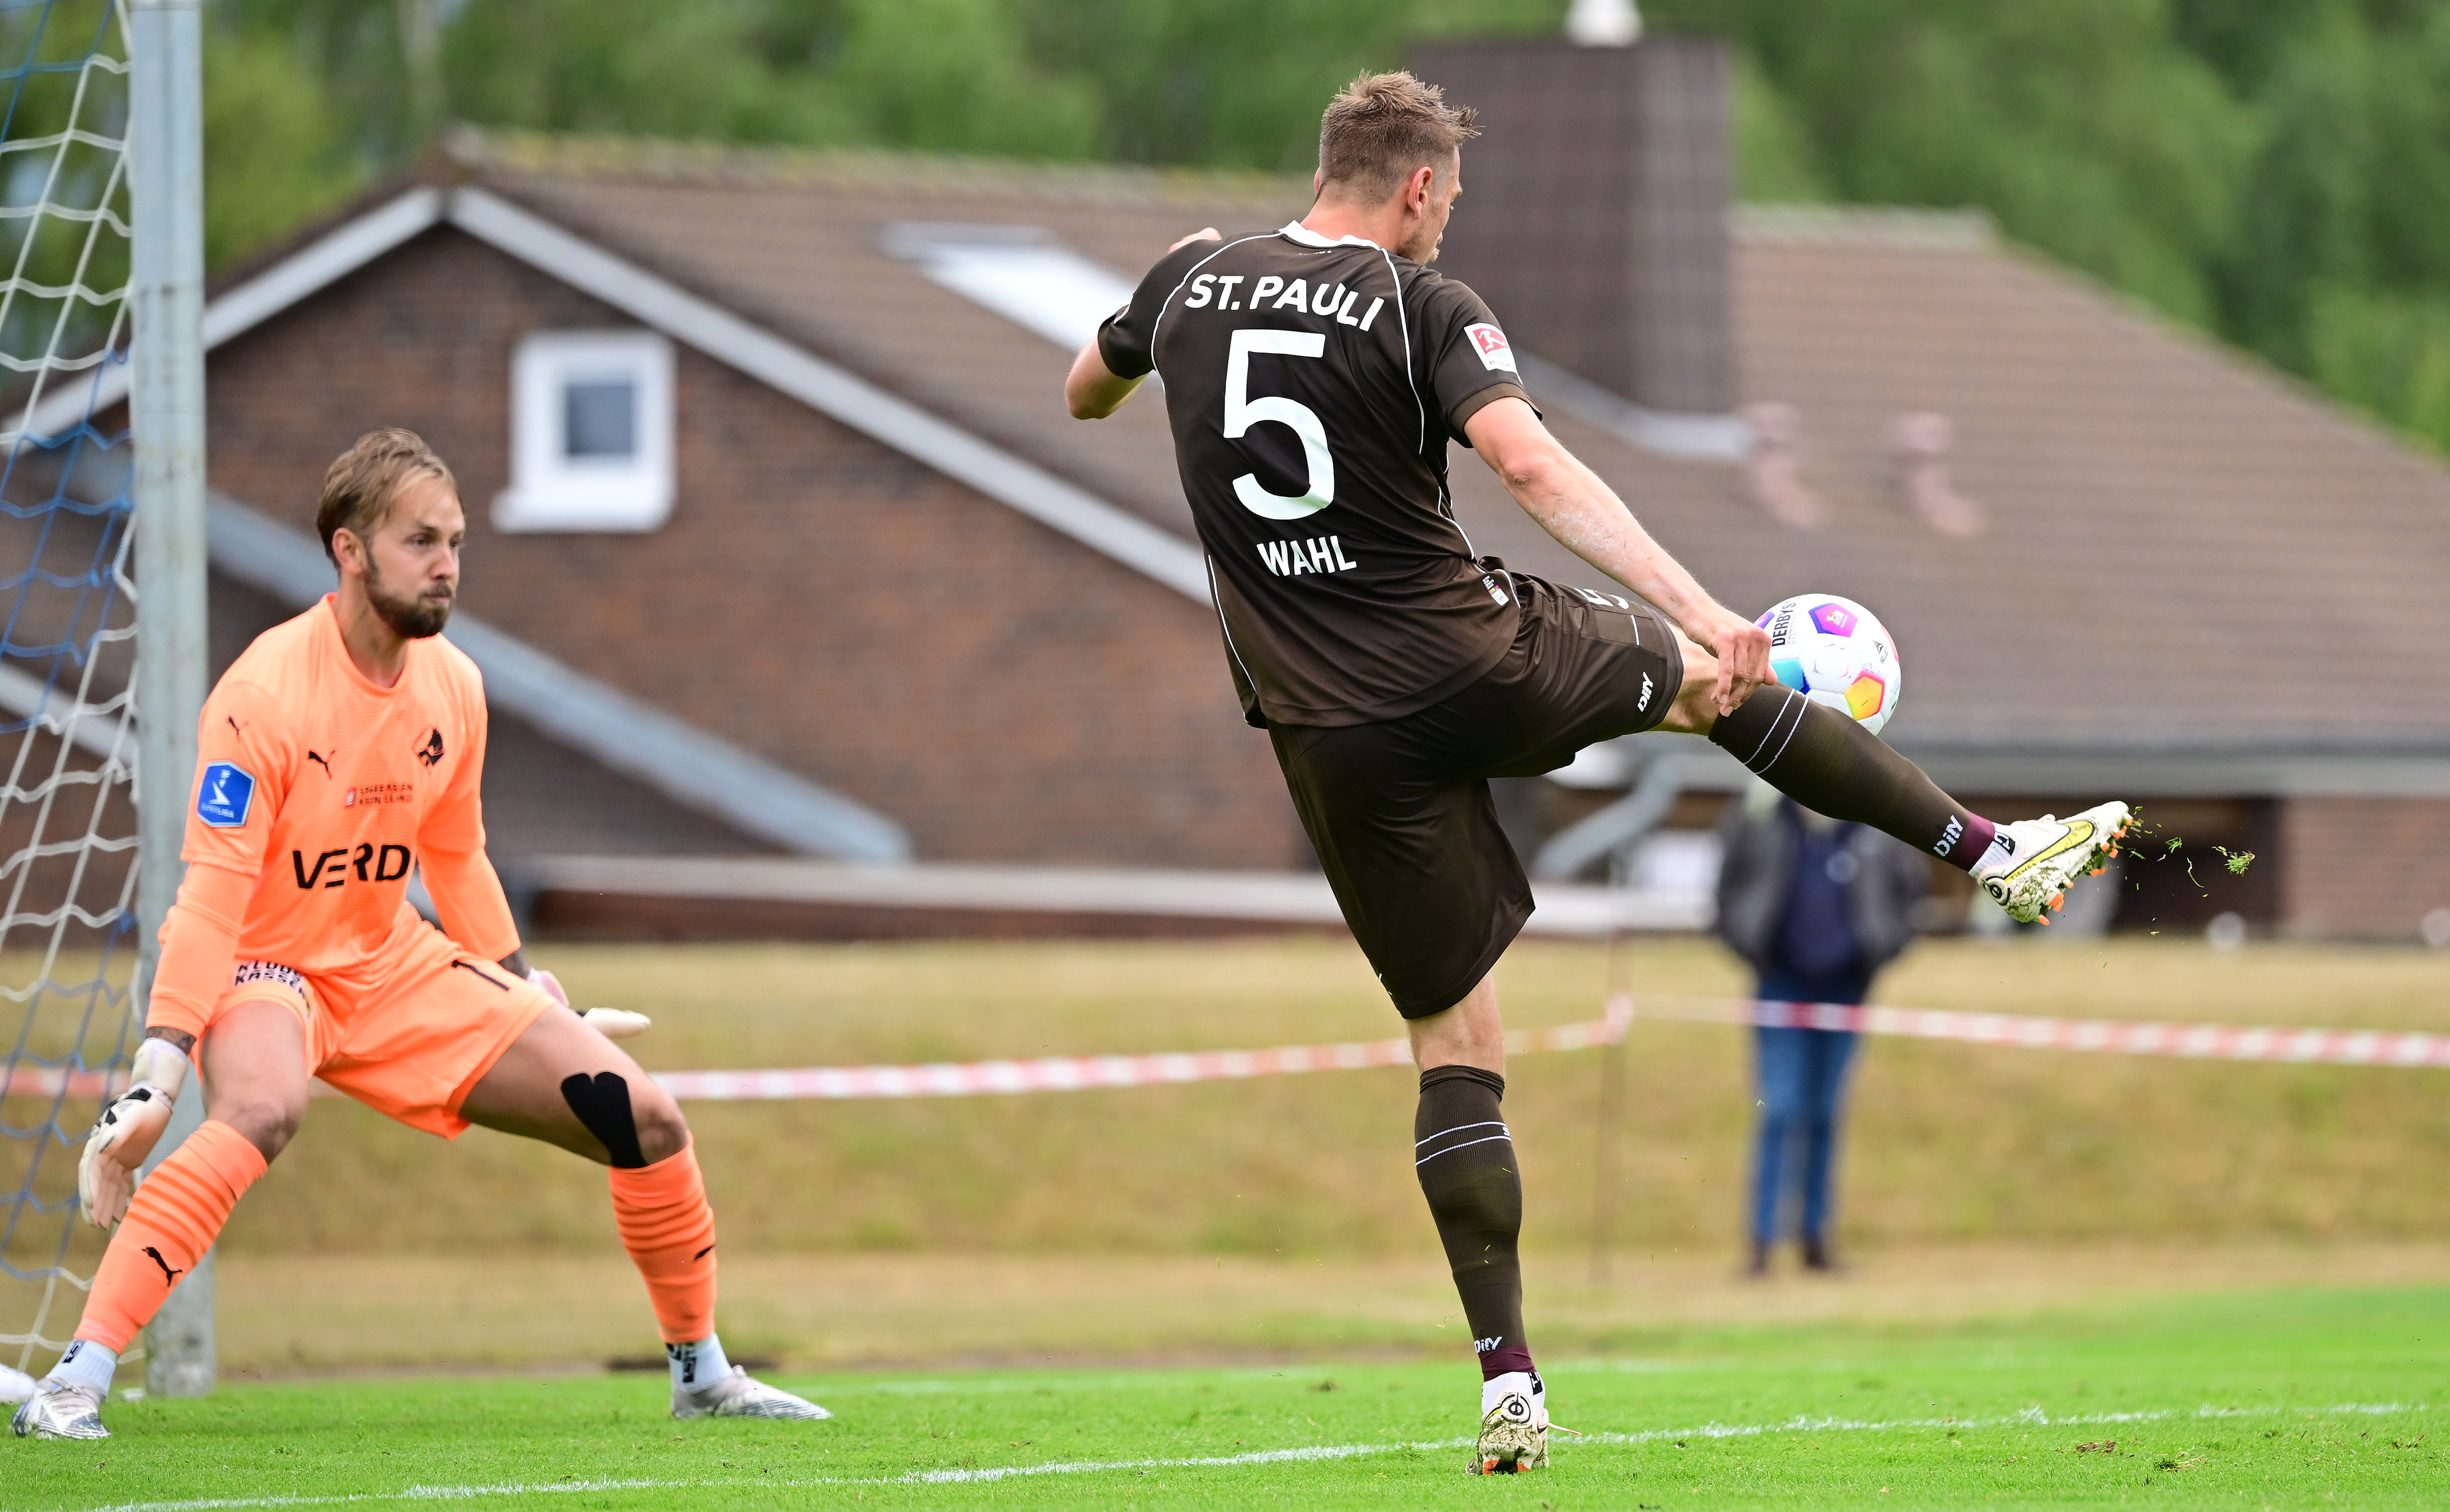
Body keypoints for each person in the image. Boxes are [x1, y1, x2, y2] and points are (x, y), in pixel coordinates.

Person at [1064, 70, 2128, 1473]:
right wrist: (1698, 605)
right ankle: (1993, 855)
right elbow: (1527, 464)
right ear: (1419, 188)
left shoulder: (1191, 278)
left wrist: (1146, 338)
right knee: (1709, 685)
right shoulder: (1419, 303)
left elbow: (1083, 394)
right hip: (1463, 657)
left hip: (1325, 732)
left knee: (1454, 1049)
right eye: (1448, 201)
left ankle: (1506, 1380)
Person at [12, 431, 828, 1441]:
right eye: (419, 541)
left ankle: (701, 1371)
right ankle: (73, 1381)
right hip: (270, 964)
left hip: (389, 960)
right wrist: (157, 1076)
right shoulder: (264, 694)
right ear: (349, 551)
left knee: (644, 1113)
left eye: (456, 541)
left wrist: (526, 986)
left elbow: (457, 858)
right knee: (264, 1108)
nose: (446, 564)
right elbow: (213, 898)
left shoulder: (453, 685)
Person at [1714, 785, 1928, 1276]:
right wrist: (1749, 943)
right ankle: (1761, 1244)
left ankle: (1815, 1239)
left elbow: (1910, 896)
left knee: (1827, 1114)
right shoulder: (1761, 814)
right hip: (1780, 985)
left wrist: (1881, 947)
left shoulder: (1876, 819)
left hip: (1847, 990)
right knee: (1780, 1109)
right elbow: (1726, 890)